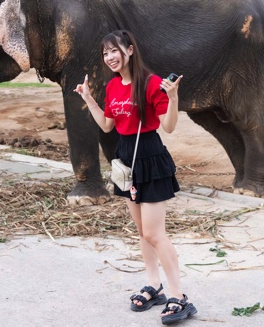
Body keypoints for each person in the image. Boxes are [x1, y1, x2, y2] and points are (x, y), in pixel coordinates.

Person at [74, 30, 196, 325]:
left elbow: (168, 126)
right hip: (125, 158)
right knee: (142, 231)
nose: (109, 57)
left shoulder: (152, 83)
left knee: (155, 233)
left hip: (150, 156)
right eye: (105, 53)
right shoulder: (113, 86)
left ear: (129, 50)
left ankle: (180, 297)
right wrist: (89, 98)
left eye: (114, 50)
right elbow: (106, 125)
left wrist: (173, 97)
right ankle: (154, 286)